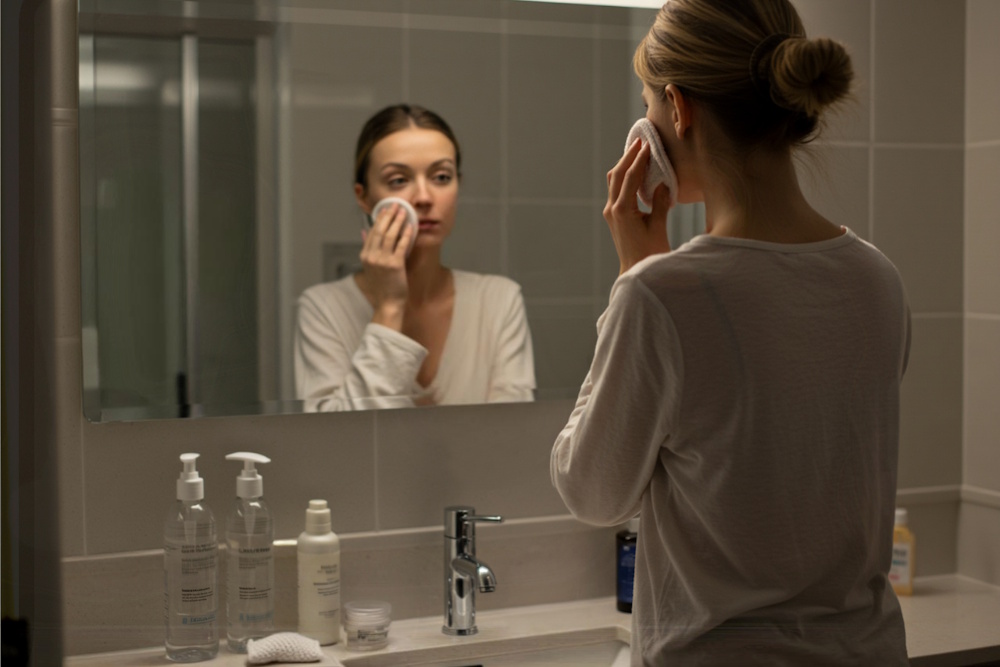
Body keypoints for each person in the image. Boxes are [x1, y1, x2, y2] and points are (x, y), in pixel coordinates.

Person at [550, 1, 911, 665]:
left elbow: (593, 492)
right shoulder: (877, 279)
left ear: (677, 109)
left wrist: (636, 271)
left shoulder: (661, 294)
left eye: (649, 103)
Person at [295, 104, 535, 411]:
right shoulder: (323, 310)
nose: (423, 197)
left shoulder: (499, 301)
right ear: (364, 197)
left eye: (441, 177)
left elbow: (512, 437)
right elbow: (341, 443)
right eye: (398, 180)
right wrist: (389, 308)